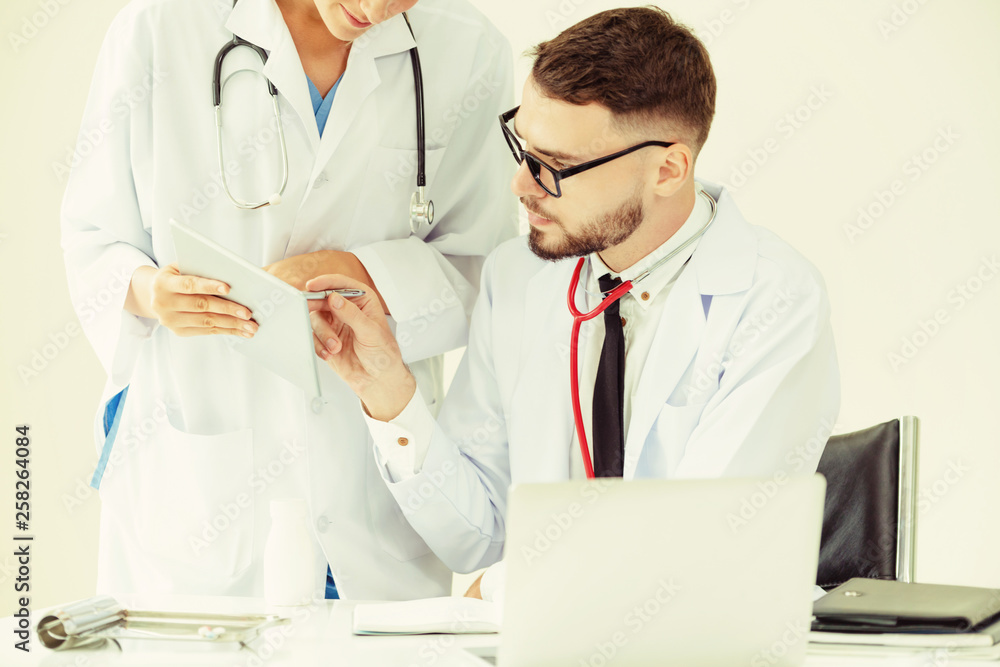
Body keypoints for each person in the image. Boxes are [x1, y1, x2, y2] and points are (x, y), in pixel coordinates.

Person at [307, 6, 840, 598]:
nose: (522, 186)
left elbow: (701, 546)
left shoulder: (773, 300)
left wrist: (509, 590)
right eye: (523, 149)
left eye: (556, 167)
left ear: (668, 168)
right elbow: (475, 537)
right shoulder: (519, 277)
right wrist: (387, 393)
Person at [61, 0, 515, 600]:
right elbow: (95, 232)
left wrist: (363, 273)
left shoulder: (469, 49)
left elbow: (482, 266)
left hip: (370, 494)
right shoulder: (159, 27)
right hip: (204, 478)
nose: (379, 10)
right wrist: (150, 293)